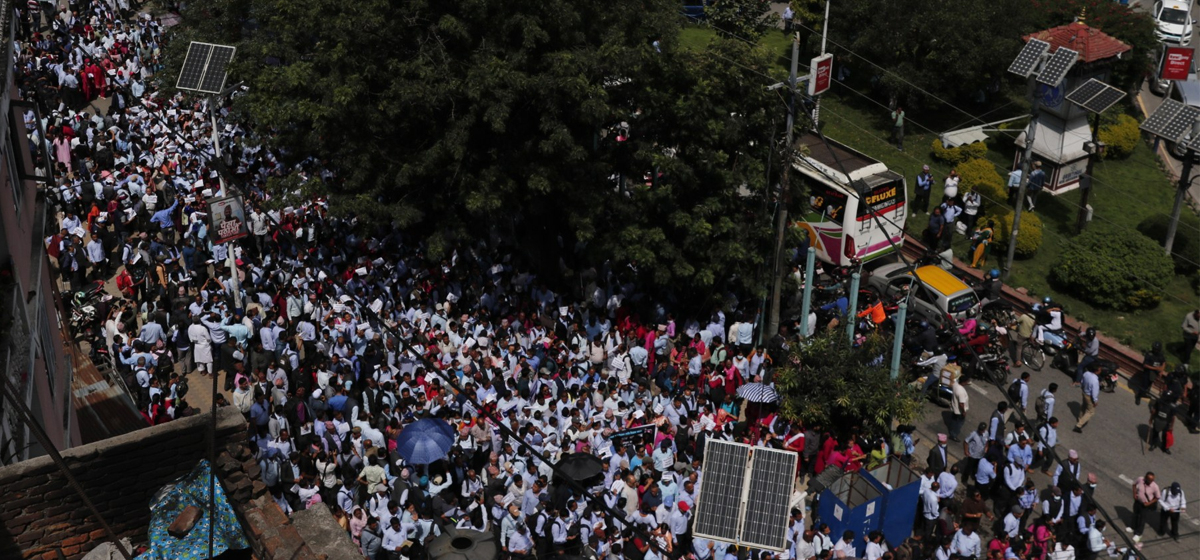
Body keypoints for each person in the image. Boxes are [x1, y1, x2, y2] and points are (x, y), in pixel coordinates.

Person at [1129, 472, 1160, 542]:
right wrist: (1134, 494)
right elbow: (1134, 484)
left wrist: (1149, 503)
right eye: (1149, 480)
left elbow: (1157, 497)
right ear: (1145, 478)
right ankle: (1133, 527)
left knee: (1142, 519)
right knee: (1135, 514)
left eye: (1152, 480)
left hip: (1145, 505)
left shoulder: (1155, 486)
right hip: (1137, 502)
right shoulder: (1140, 479)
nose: (1151, 482)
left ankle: (1138, 533)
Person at [1073, 367, 1099, 433]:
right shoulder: (1095, 380)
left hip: (1084, 392)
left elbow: (1082, 381)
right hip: (1089, 396)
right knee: (1090, 411)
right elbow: (1094, 392)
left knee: (1084, 406)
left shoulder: (1086, 373)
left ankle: (1080, 419)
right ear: (1097, 370)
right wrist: (1095, 400)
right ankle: (1078, 425)